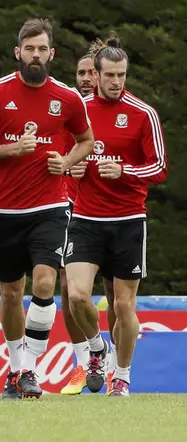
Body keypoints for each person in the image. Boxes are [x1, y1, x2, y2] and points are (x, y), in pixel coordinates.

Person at [0, 18, 93, 399]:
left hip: (51, 206)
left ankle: (30, 370)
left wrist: (67, 160)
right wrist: (12, 149)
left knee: (44, 284)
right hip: (6, 211)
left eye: (42, 49)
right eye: (29, 49)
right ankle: (14, 368)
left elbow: (86, 140)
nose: (35, 55)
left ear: (52, 54)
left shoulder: (68, 98)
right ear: (17, 53)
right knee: (10, 292)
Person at [64, 37, 166, 397]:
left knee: (123, 305)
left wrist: (123, 171)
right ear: (96, 74)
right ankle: (96, 348)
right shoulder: (78, 110)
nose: (116, 82)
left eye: (122, 75)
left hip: (127, 219)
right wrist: (69, 169)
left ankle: (121, 376)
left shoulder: (143, 113)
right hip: (87, 217)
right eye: (110, 75)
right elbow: (63, 155)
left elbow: (159, 167)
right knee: (76, 295)